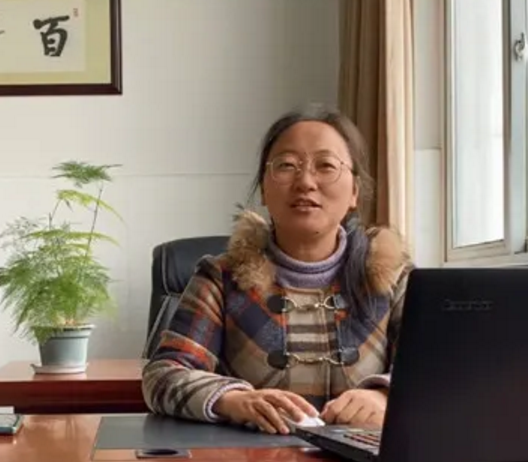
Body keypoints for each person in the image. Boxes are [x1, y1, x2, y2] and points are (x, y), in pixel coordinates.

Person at [141, 105, 413, 435]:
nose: (306, 182)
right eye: (286, 165)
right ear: (264, 190)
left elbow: (438, 373)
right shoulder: (221, 278)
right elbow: (163, 376)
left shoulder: (395, 279)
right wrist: (232, 399)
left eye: (326, 166)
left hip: (363, 461)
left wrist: (385, 395)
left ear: (354, 191)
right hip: (253, 460)